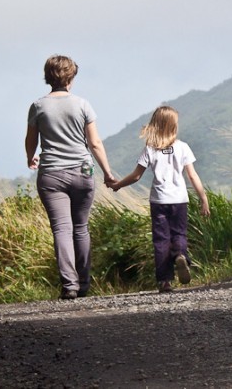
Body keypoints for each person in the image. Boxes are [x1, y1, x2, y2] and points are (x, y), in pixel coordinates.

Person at [25, 55, 116, 300]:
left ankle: (69, 286)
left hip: (52, 174)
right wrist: (107, 173)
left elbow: (31, 140)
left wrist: (30, 157)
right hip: (82, 172)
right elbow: (94, 143)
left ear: (48, 77)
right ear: (71, 78)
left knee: (62, 229)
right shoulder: (83, 105)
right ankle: (84, 284)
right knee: (80, 228)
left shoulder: (38, 106)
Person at [110, 105, 210, 293]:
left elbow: (136, 175)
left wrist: (118, 185)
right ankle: (180, 254)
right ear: (173, 126)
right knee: (179, 234)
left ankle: (164, 281)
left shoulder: (150, 149)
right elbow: (193, 176)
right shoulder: (183, 148)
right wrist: (203, 198)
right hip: (179, 200)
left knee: (161, 240)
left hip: (159, 201)